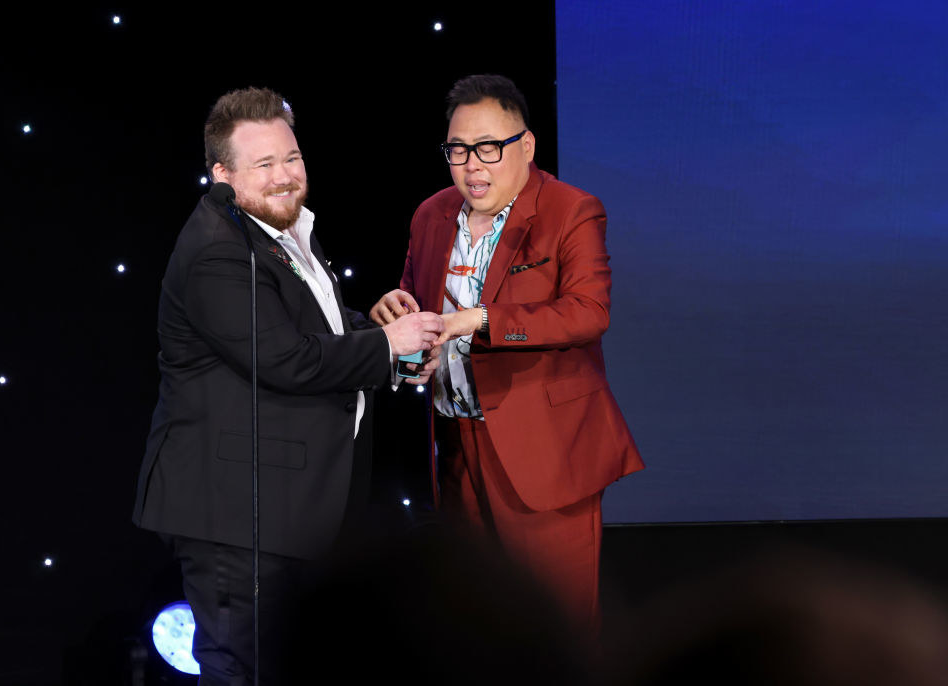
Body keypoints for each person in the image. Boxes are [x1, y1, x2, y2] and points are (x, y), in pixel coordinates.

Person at [132, 86, 442, 684]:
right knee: (243, 670)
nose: (284, 176)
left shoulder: (279, 228)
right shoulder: (217, 251)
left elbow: (310, 325)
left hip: (287, 509)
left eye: (292, 158)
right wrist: (386, 346)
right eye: (264, 164)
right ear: (222, 174)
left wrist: (376, 330)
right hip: (236, 514)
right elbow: (286, 359)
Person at [370, 74, 643, 630]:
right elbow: (424, 311)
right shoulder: (430, 215)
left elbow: (590, 312)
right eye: (459, 150)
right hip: (455, 444)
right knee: (474, 623)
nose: (474, 166)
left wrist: (483, 321)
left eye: (489, 148)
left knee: (555, 629)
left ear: (526, 145)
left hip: (545, 450)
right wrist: (406, 335)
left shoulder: (571, 210)